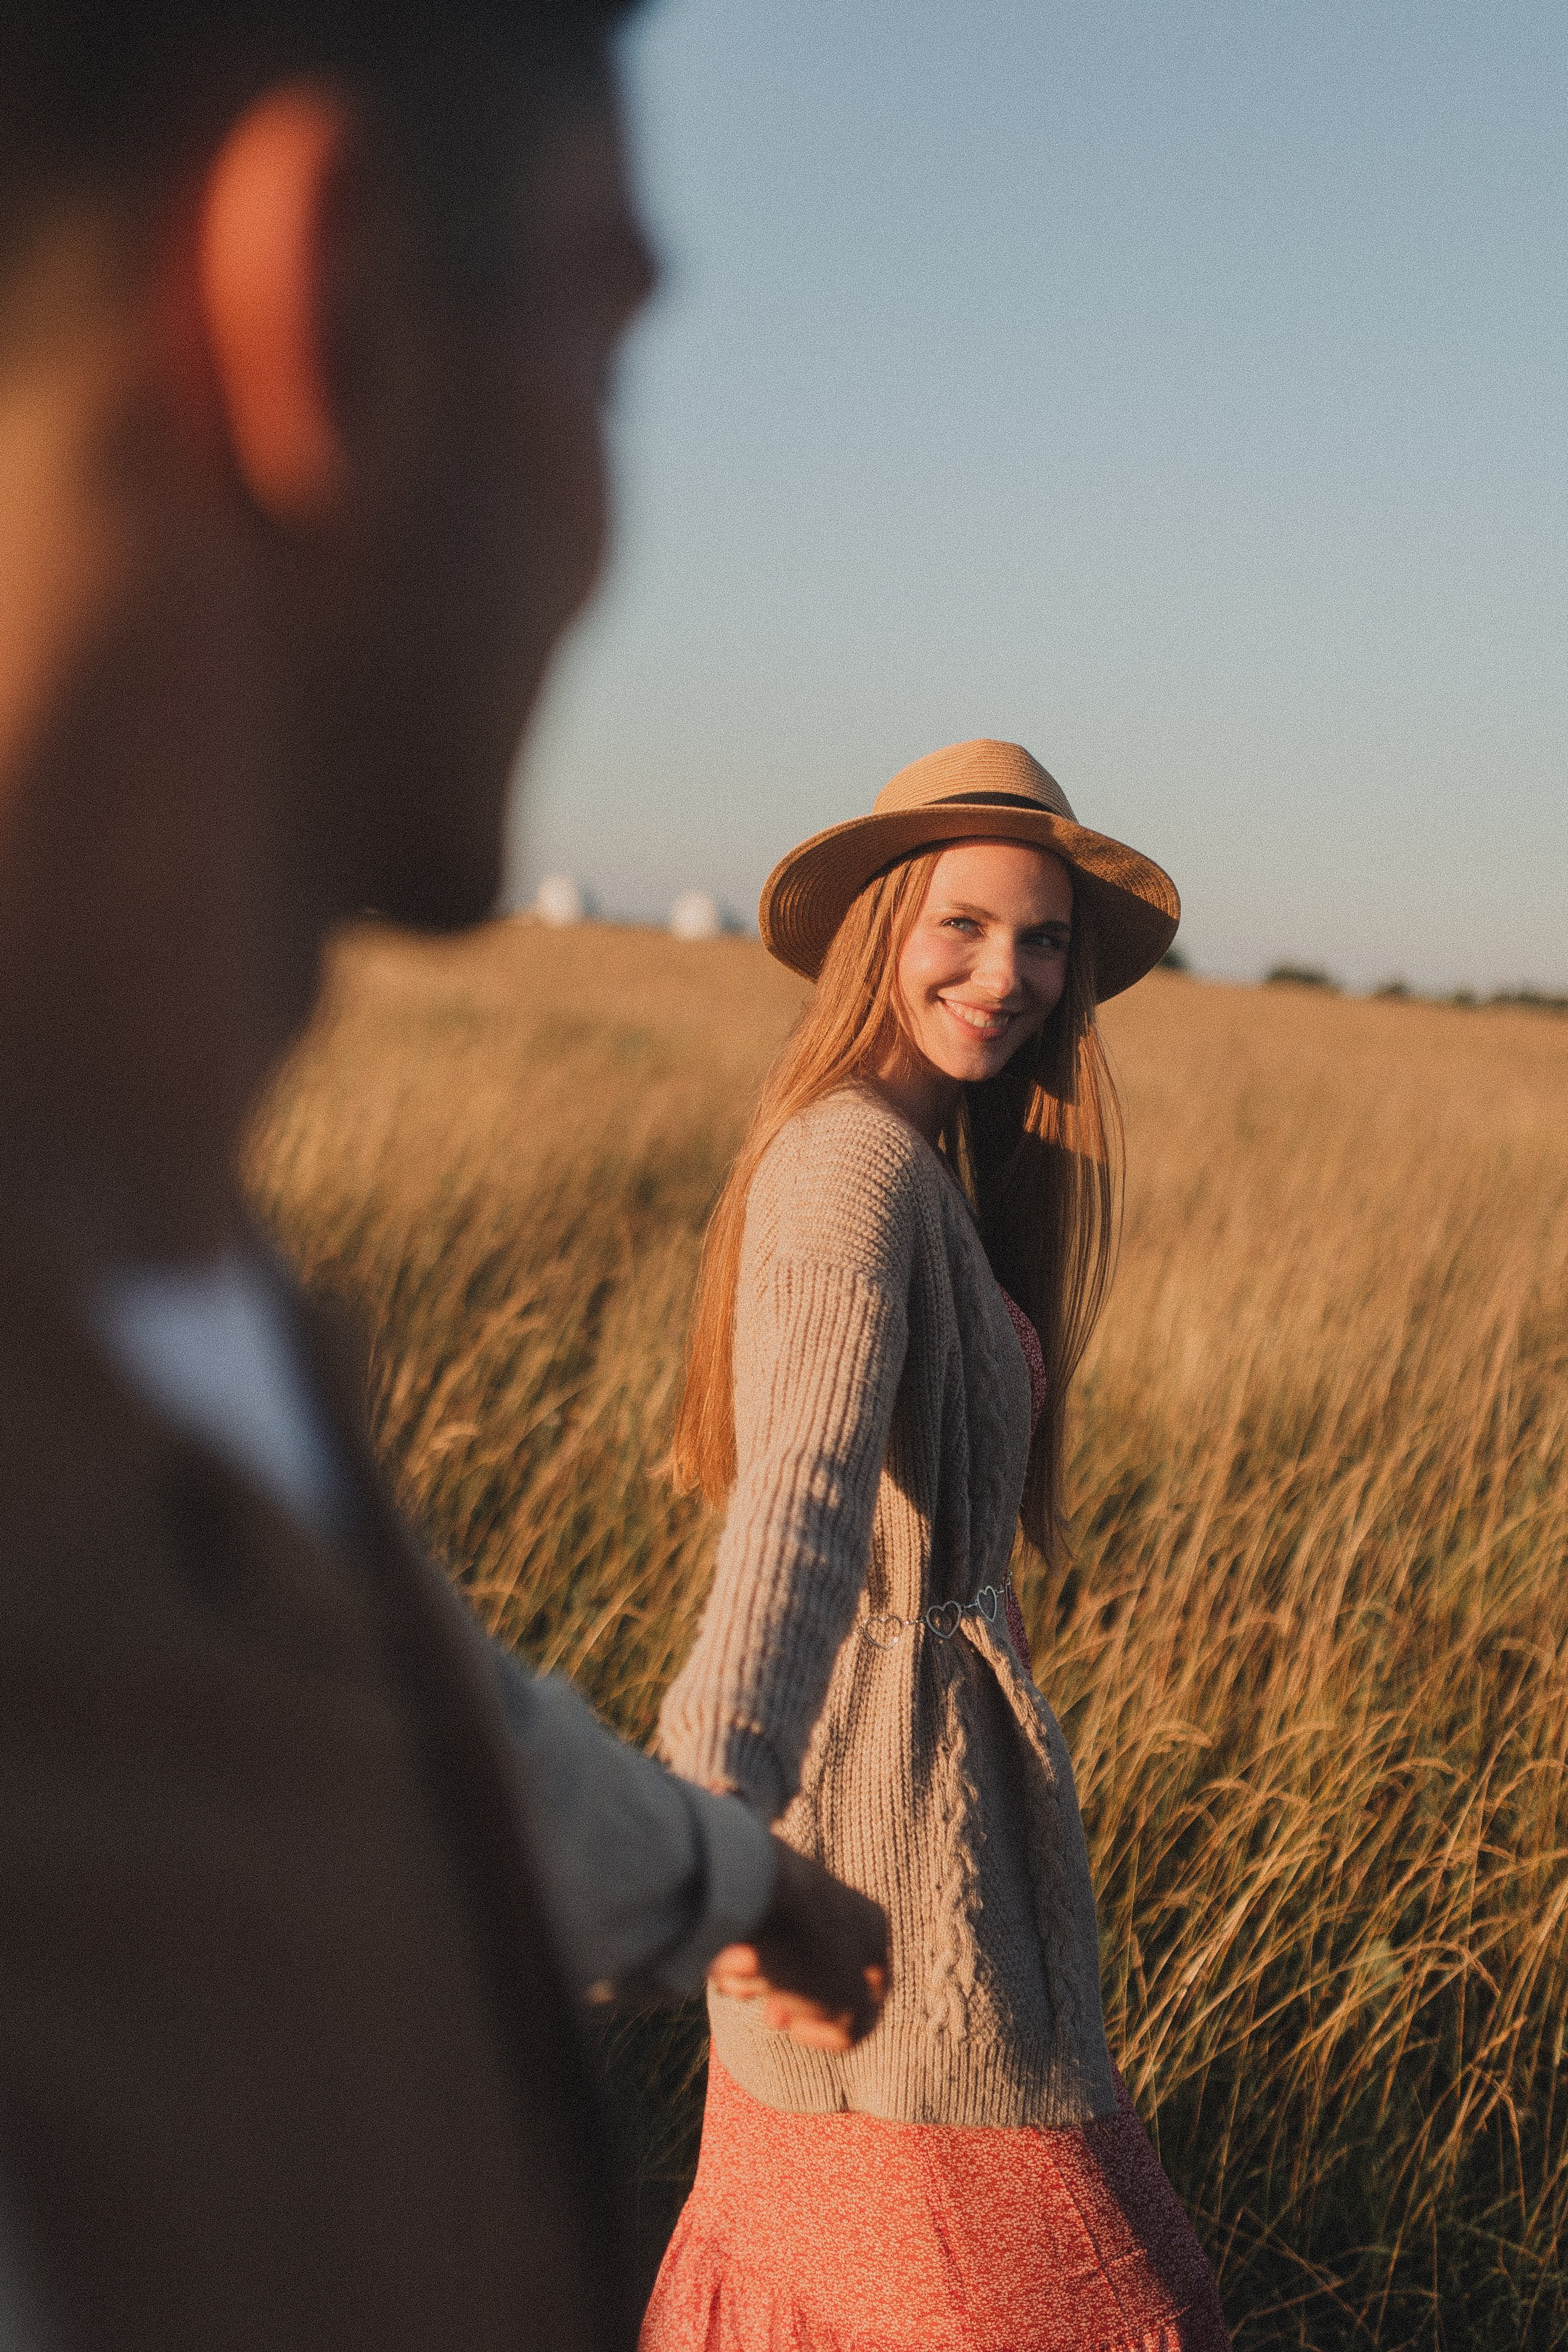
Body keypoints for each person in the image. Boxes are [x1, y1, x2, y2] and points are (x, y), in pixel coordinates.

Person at [0, 5, 886, 2348]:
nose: (610, 515)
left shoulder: (163, 1286)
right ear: (348, 314)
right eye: (606, 358)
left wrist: (721, 1878)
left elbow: (401, 1698)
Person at [643, 738, 1230, 2351]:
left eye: (1045, 940)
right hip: (877, 1836)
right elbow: (803, 1501)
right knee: (1099, 2309)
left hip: (927, 1816)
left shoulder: (922, 1168)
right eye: (965, 926)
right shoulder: (849, 1168)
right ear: (881, 929)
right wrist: (719, 1818)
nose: (1013, 973)